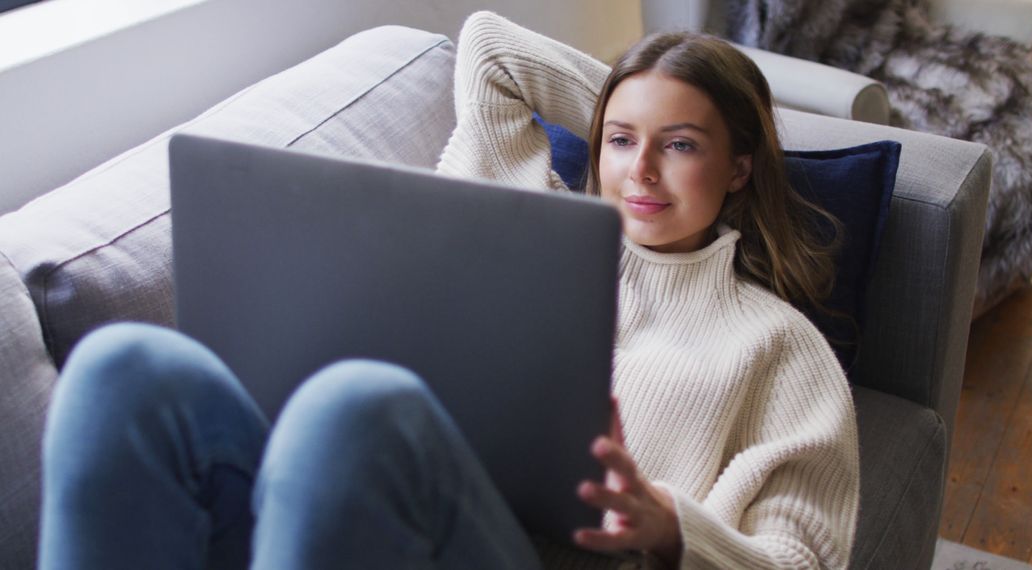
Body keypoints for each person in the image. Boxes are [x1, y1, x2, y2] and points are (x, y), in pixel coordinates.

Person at [38, 10, 859, 570]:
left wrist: (672, 524)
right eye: (620, 141)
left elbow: (804, 560)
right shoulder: (521, 211)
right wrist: (645, 90)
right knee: (124, 366)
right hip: (349, 501)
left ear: (741, 164)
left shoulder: (778, 348)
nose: (640, 169)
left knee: (355, 405)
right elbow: (491, 48)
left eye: (680, 147)